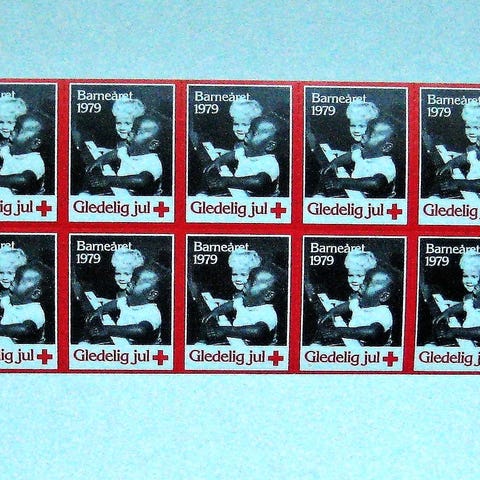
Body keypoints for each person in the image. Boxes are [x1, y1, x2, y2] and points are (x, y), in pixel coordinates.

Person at [314, 264, 398, 346]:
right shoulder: (361, 302)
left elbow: (372, 332)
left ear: (383, 296)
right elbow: (347, 305)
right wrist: (332, 312)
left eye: (367, 283)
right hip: (353, 340)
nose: (361, 285)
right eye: (364, 281)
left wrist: (339, 331)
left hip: (370, 350)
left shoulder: (383, 313)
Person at [200, 264, 284, 345]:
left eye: (252, 283)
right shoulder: (245, 300)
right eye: (248, 280)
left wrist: (225, 330)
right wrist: (216, 311)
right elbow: (231, 304)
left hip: (255, 349)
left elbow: (258, 331)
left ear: (268, 295)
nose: (245, 283)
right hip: (237, 340)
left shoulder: (268, 313)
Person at [203, 115, 282, 196]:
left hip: (257, 199)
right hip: (238, 191)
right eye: (249, 130)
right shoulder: (246, 151)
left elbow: (259, 182)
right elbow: (230, 156)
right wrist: (217, 163)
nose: (247, 133)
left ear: (270, 146)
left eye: (254, 133)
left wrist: (225, 181)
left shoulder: (269, 163)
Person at [317, 116, 397, 197]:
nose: (363, 135)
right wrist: (334, 163)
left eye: (370, 135)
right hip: (355, 191)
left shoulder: (386, 165)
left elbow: (376, 183)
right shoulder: (363, 152)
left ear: (386, 147)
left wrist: (342, 182)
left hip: (372, 199)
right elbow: (349, 156)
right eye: (366, 132)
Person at [84, 114, 163, 195]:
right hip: (120, 190)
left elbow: (142, 181)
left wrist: (107, 180)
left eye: (137, 132)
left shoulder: (152, 162)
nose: (129, 133)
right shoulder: (129, 150)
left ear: (153, 144)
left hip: (138, 198)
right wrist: (99, 161)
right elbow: (115, 154)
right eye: (132, 129)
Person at [85, 264, 162, 345]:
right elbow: (114, 304)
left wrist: (107, 329)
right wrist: (100, 310)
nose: (129, 283)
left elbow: (141, 330)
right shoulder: (127, 300)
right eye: (131, 279)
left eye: (135, 282)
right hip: (120, 340)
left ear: (152, 294)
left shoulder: (152, 313)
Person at [433, 250, 480, 345]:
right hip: (466, 341)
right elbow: (465, 305)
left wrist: (454, 332)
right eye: (465, 276)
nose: (469, 281)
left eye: (474, 277)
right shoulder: (473, 297)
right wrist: (448, 312)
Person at [0, 261, 52, 343]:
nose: (12, 281)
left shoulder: (35, 311)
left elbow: (26, 330)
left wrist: (1, 329)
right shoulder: (9, 300)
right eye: (14, 278)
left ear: (35, 293)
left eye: (18, 281)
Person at [436, 102, 480, 195]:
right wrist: (452, 163)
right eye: (468, 127)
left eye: (477, 128)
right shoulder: (476, 145)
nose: (471, 132)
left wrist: (458, 183)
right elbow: (468, 156)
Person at [0, 113, 47, 194]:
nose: (11, 132)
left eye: (18, 131)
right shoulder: (8, 150)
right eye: (14, 128)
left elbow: (24, 180)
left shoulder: (35, 161)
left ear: (35, 143)